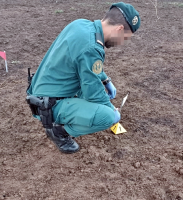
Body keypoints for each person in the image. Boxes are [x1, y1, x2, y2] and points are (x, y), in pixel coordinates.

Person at [27, 2, 140, 154]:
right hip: (48, 105)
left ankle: (67, 114)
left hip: (39, 91)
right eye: (125, 38)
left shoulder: (81, 24)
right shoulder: (92, 48)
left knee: (97, 94)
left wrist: (106, 80)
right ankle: (58, 132)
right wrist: (112, 110)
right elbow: (93, 92)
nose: (122, 43)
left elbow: (85, 63)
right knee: (106, 116)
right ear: (119, 29)